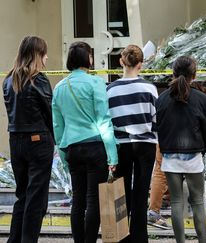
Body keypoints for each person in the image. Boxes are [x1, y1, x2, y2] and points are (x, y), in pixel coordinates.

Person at [52, 41, 118, 243]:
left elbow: (57, 126)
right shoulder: (95, 83)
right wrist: (112, 155)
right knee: (93, 201)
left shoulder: (60, 87)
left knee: (78, 201)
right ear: (87, 59)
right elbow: (103, 119)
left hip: (71, 148)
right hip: (94, 147)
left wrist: (63, 155)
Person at [156, 56, 206, 243]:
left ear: (173, 72)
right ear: (194, 75)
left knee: (176, 202)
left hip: (170, 157)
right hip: (194, 156)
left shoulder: (162, 99)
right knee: (197, 202)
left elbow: (160, 128)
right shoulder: (203, 100)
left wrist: (164, 149)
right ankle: (202, 241)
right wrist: (201, 151)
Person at [3, 36, 54, 243]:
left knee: (23, 196)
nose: (46, 58)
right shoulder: (38, 79)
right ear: (36, 55)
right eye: (43, 54)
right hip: (38, 140)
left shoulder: (9, 79)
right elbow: (49, 113)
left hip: (15, 141)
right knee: (36, 200)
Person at [106, 44, 158, 243]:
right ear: (141, 65)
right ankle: (140, 237)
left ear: (121, 62)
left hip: (122, 144)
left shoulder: (110, 90)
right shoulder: (149, 88)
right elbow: (156, 118)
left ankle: (122, 237)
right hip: (145, 144)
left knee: (122, 192)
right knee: (141, 190)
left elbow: (108, 121)